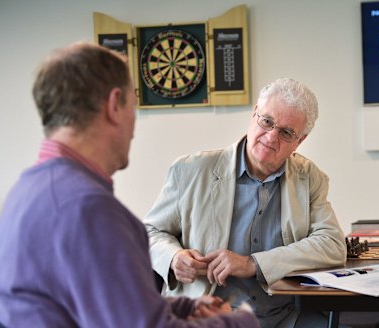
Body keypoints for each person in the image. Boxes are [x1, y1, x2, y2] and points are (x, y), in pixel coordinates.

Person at [0, 41, 258, 328]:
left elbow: (94, 302)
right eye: (133, 105)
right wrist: (240, 322)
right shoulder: (88, 209)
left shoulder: (28, 189)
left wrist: (183, 306)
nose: (134, 126)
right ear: (114, 105)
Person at [144, 78, 351, 327]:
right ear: (255, 114)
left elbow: (332, 245)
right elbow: (149, 232)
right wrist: (174, 257)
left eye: (286, 132)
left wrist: (252, 263)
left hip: (285, 316)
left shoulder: (309, 179)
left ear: (300, 140)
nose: (271, 137)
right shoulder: (191, 171)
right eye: (267, 122)